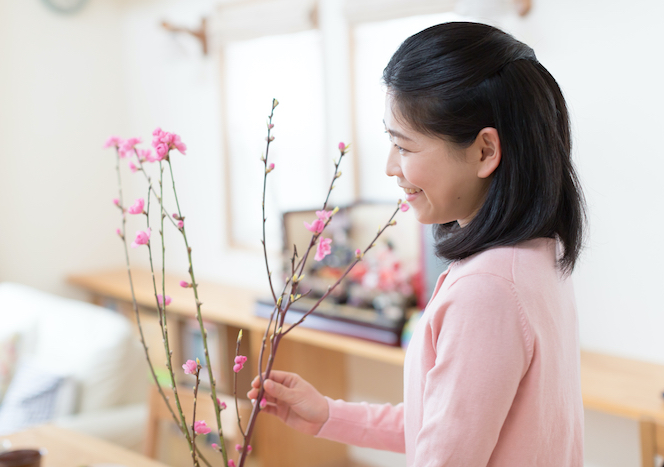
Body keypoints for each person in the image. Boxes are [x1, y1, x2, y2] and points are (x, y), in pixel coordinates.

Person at [248, 21, 586, 466]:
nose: (391, 166)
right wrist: (328, 414)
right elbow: (452, 423)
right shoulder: (536, 255)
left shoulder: (487, 290)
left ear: (485, 151)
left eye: (404, 146)